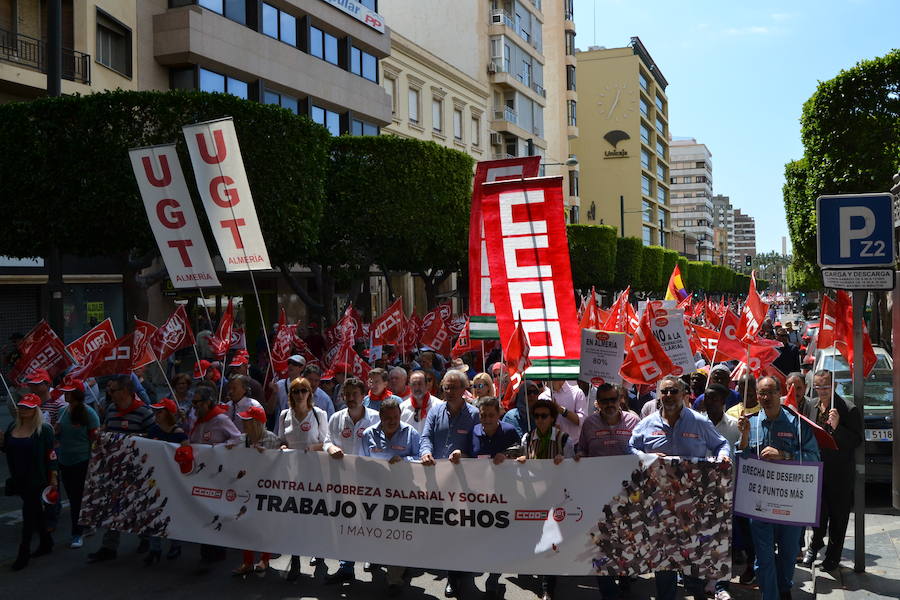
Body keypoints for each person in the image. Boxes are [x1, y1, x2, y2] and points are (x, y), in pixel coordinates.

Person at [629, 376, 731, 600]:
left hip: (691, 500)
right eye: (664, 392)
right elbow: (631, 448)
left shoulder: (699, 421)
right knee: (663, 557)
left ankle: (697, 592)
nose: (668, 396)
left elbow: (722, 444)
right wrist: (647, 457)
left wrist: (723, 457)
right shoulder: (647, 423)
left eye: (673, 391)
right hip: (658, 501)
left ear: (683, 394)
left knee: (692, 554)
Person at [737, 376, 820, 600]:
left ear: (779, 393)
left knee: (788, 554)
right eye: (761, 393)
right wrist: (743, 439)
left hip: (790, 506)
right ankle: (770, 595)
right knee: (763, 558)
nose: (765, 398)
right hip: (760, 504)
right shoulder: (751, 423)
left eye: (770, 392)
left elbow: (813, 457)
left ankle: (784, 588)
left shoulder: (797, 423)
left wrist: (784, 455)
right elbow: (743, 462)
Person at [575, 384, 639, 600]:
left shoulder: (634, 421)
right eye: (604, 401)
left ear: (620, 398)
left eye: (613, 399)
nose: (609, 404)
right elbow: (581, 448)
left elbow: (642, 451)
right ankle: (608, 592)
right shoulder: (589, 423)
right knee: (600, 544)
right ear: (598, 403)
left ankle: (625, 579)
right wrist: (580, 457)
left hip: (628, 494)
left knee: (624, 540)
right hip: (597, 492)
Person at [419, 370, 479, 598]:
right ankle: (454, 573)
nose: (450, 392)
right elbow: (425, 437)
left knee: (459, 530)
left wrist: (464, 454)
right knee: (446, 530)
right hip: (438, 479)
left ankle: (455, 578)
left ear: (464, 389)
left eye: (454, 387)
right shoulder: (435, 411)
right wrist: (425, 452)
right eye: (446, 387)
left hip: (464, 482)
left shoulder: (474, 415)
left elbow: (478, 447)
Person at [87, 375, 155, 563]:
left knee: (141, 505)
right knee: (112, 506)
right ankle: (109, 547)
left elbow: (154, 437)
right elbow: (107, 429)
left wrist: (132, 439)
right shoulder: (110, 409)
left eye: (113, 390)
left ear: (125, 391)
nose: (110, 393)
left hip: (138, 468)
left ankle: (146, 540)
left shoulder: (144, 412)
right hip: (115, 468)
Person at [801, 369, 862, 572]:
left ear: (834, 386)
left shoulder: (848, 409)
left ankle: (833, 557)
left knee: (838, 517)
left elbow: (856, 440)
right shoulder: (811, 405)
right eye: (818, 387)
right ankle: (815, 545)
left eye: (826, 386)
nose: (822, 391)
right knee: (817, 513)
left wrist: (837, 428)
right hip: (816, 468)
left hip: (839, 473)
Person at [360, 397, 421, 597]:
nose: (393, 421)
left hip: (402, 494)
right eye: (388, 418)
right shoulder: (368, 434)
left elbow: (420, 458)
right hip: (375, 494)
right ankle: (380, 559)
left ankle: (395, 579)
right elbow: (361, 462)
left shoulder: (411, 433)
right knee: (377, 532)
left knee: (398, 535)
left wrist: (404, 460)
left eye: (396, 417)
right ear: (380, 417)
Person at [323, 377, 380, 584]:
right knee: (345, 523)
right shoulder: (336, 418)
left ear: (363, 395)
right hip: (342, 480)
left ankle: (373, 558)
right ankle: (345, 566)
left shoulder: (375, 418)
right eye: (346, 394)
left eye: (354, 394)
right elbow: (327, 439)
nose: (350, 398)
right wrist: (330, 448)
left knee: (369, 521)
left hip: (369, 481)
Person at [516, 398, 574, 600]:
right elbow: (523, 462)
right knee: (535, 538)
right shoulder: (527, 438)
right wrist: (522, 461)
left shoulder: (564, 440)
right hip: (533, 496)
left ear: (552, 418)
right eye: (537, 416)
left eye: (544, 416)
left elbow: (574, 467)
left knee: (551, 542)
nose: (540, 420)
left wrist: (563, 462)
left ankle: (547, 586)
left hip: (556, 498)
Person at [472, 395, 529, 598]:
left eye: (491, 415)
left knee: (499, 538)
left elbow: (522, 451)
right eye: (483, 415)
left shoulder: (509, 431)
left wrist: (507, 455)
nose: (486, 418)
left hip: (505, 495)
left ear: (499, 414)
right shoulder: (475, 431)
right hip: (480, 496)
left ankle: (494, 578)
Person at [276, 376, 328, 581]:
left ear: (310, 393)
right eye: (296, 391)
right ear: (291, 394)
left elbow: (325, 442)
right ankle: (295, 559)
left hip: (314, 472)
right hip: (291, 473)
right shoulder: (283, 415)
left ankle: (319, 550)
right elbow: (280, 439)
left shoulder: (319, 414)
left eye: (303, 390)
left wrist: (311, 448)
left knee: (314, 514)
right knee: (293, 516)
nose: (299, 395)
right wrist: (282, 447)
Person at [1, 394, 58, 571]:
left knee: (28, 516)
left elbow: (51, 454)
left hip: (37, 478)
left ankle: (23, 553)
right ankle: (46, 543)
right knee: (35, 512)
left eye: (27, 407)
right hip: (19, 477)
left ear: (36, 409)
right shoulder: (12, 426)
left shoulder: (44, 429)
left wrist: (53, 477)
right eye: (21, 406)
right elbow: (8, 449)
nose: (23, 410)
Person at [226, 405, 281, 577]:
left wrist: (267, 455)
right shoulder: (242, 439)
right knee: (246, 524)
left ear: (257, 423)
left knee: (265, 526)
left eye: (247, 421)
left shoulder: (273, 440)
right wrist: (228, 448)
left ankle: (265, 559)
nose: (243, 424)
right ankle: (247, 561)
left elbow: (280, 462)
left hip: (267, 489)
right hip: (247, 488)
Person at [54, 378, 100, 550]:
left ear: (76, 394)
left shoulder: (89, 413)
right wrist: (55, 433)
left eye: (68, 391)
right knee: (76, 497)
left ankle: (77, 533)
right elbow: (58, 437)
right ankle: (87, 524)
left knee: (76, 498)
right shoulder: (63, 412)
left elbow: (95, 438)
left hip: (83, 460)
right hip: (65, 460)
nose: (65, 394)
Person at [144, 397, 188, 564]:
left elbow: (187, 454)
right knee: (152, 512)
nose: (156, 414)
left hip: (172, 480)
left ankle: (175, 545)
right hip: (154, 478)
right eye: (155, 411)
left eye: (160, 411)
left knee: (171, 513)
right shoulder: (153, 431)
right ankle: (154, 548)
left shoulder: (179, 435)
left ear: (169, 414)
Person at [400, 370, 443, 434]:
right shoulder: (402, 408)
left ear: (426, 385)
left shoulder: (439, 406)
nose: (417, 388)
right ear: (409, 386)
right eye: (414, 384)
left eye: (420, 384)